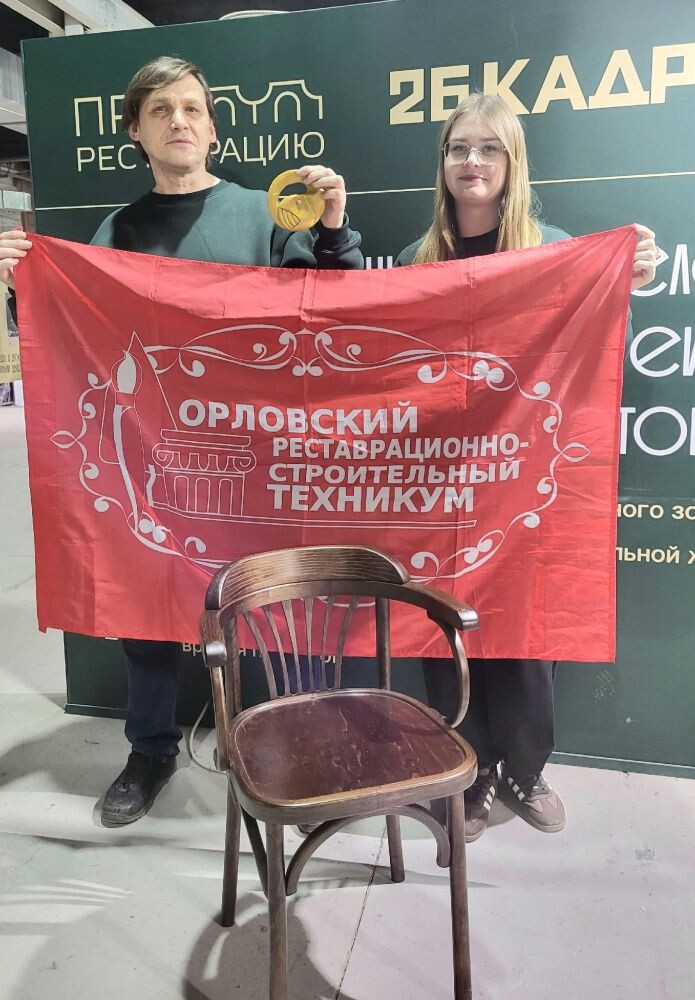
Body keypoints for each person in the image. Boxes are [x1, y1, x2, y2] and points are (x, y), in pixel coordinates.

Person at [0, 55, 364, 826]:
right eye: (161, 109)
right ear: (135, 130)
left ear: (213, 126)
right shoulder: (118, 231)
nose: (179, 121)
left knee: (275, 604)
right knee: (146, 607)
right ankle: (151, 751)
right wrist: (19, 288)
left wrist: (333, 230)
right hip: (154, 457)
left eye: (193, 107)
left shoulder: (265, 215)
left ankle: (291, 743)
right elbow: (71, 337)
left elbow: (335, 312)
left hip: (260, 455)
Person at [396, 93, 657, 843]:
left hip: (527, 478)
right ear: (442, 164)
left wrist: (626, 281)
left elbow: (595, 343)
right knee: (448, 632)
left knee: (525, 635)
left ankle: (524, 769)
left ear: (511, 163)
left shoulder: (552, 249)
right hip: (442, 482)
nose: (471, 161)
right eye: (458, 148)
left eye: (488, 148)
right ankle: (469, 772)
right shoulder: (419, 261)